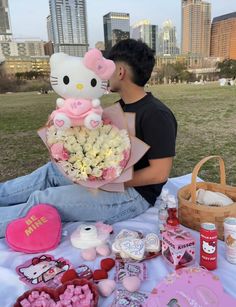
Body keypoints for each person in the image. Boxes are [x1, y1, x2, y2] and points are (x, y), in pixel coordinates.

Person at [0, 39, 177, 238]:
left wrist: (108, 182)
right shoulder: (120, 106)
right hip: (108, 180)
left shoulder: (156, 114)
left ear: (119, 71)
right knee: (49, 173)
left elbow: (159, 174)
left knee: (43, 200)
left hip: (133, 196)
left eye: (103, 68)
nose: (100, 73)